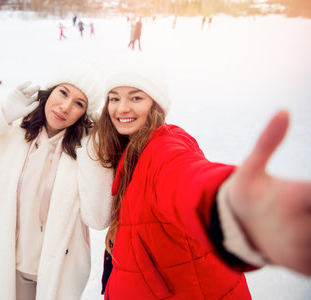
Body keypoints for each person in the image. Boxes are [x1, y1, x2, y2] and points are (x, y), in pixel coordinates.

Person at [91, 54, 311, 299]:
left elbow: (187, 180)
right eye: (114, 98)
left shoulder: (163, 147)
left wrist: (230, 207)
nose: (122, 108)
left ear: (156, 104)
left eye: (136, 97)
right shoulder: (128, 151)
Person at [0, 59, 113, 300]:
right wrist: (3, 112)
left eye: (79, 103)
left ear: (84, 113)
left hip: (57, 274)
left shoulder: (81, 154)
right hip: (7, 269)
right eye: (63, 92)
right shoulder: (9, 135)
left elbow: (98, 217)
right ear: (49, 91)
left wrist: (94, 148)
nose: (65, 106)